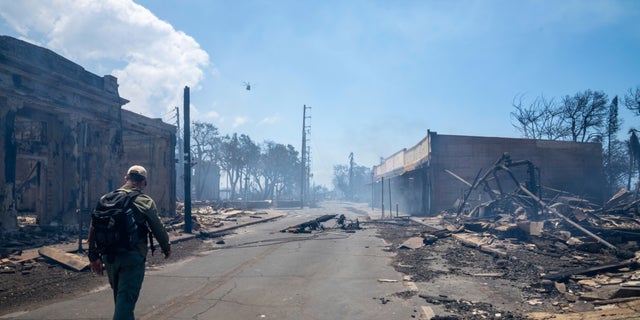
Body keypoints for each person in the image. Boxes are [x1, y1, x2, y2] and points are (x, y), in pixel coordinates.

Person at [88, 165, 171, 320]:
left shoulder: (105, 199)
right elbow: (157, 226)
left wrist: (93, 256)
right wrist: (166, 247)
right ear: (144, 182)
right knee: (125, 300)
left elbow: (93, 227)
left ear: (126, 179)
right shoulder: (144, 200)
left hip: (109, 257)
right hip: (132, 256)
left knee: (120, 298)